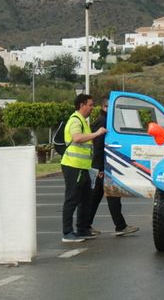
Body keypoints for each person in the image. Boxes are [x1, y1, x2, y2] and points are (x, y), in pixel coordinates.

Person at [86, 106, 140, 237]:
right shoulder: (102, 121)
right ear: (105, 107)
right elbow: (98, 146)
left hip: (103, 165)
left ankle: (85, 226)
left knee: (96, 198)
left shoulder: (107, 120)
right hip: (103, 166)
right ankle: (120, 226)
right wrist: (100, 168)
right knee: (112, 195)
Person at [60, 93, 105, 243]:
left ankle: (82, 229)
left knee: (86, 199)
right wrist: (97, 133)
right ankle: (67, 232)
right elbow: (77, 138)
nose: (93, 107)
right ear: (82, 105)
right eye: (90, 105)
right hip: (73, 166)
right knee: (72, 199)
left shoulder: (83, 121)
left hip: (83, 167)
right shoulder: (75, 120)